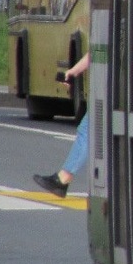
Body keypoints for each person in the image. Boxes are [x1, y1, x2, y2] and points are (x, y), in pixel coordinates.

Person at [32, 53, 89, 199]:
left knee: (87, 131)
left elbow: (97, 50)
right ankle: (63, 178)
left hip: (114, 90)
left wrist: (73, 71)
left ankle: (63, 179)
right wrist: (73, 72)